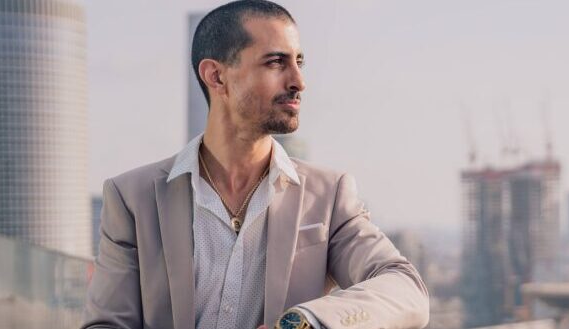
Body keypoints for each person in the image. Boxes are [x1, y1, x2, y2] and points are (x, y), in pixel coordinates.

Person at [82, 1, 429, 328]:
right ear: (216, 77)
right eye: (276, 62)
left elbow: (405, 288)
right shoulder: (132, 197)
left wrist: (303, 323)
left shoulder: (329, 195)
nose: (298, 81)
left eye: (299, 62)